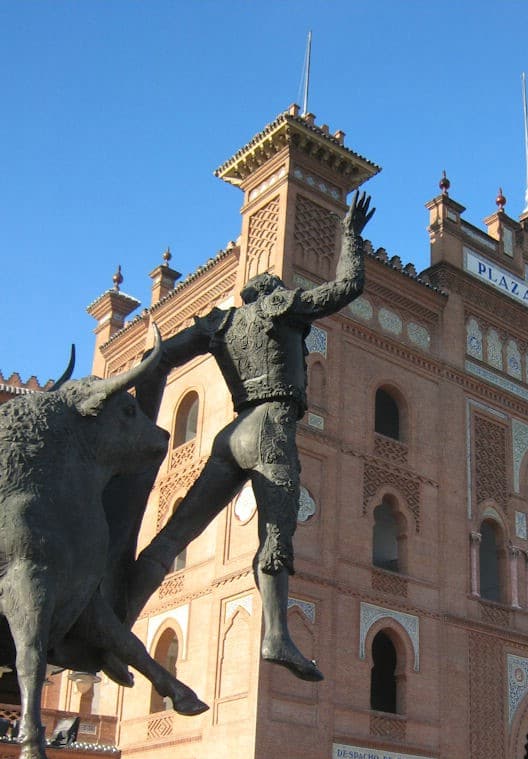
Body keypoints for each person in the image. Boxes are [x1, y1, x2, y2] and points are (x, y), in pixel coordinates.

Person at [126, 192, 375, 682]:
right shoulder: (282, 308)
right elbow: (347, 286)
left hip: (232, 433)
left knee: (176, 533)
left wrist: (142, 424)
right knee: (276, 536)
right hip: (272, 430)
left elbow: (157, 361)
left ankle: (122, 613)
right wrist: (350, 235)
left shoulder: (220, 323)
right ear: (273, 290)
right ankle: (276, 634)